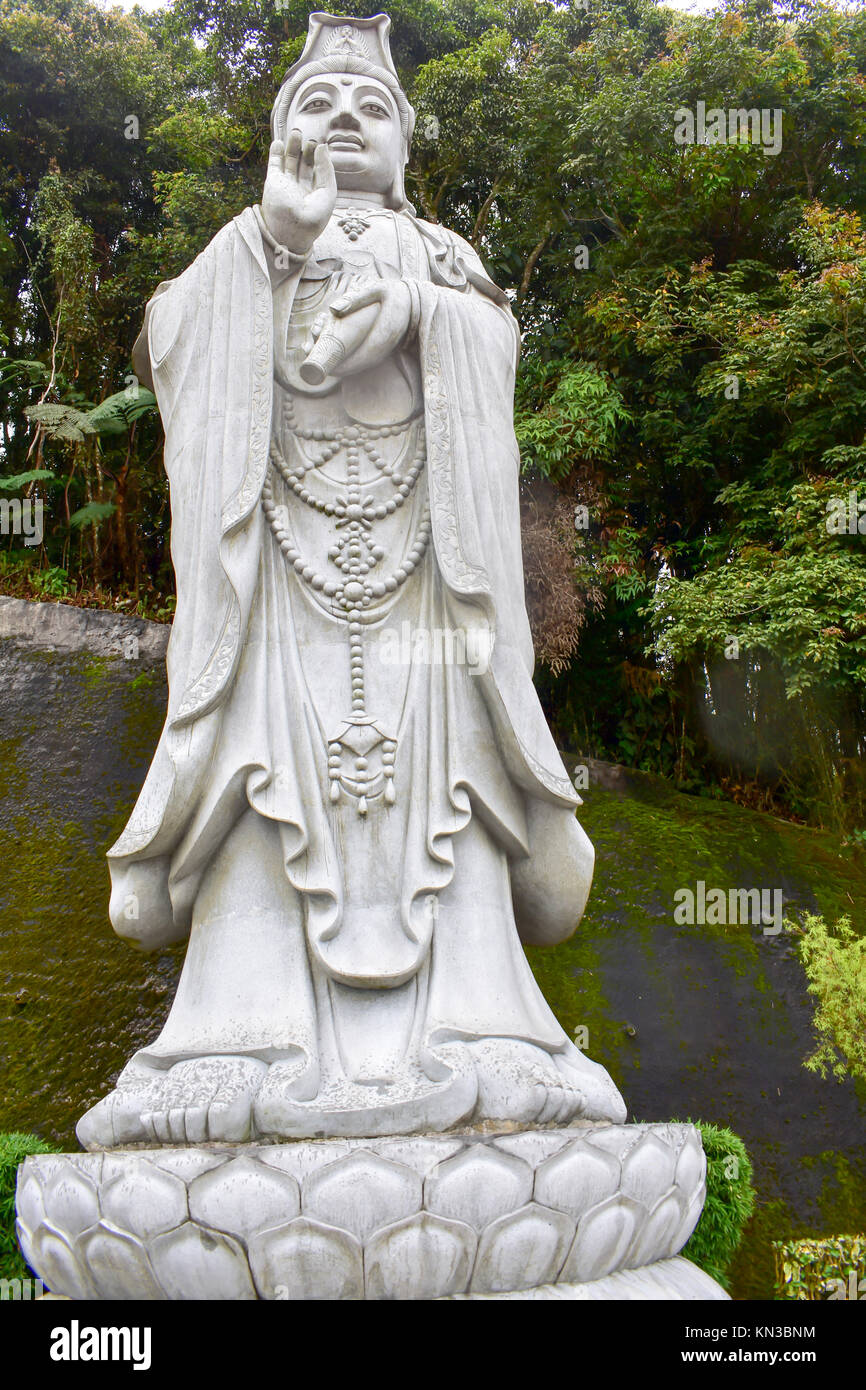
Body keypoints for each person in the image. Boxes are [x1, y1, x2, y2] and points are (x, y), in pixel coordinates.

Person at [78, 12, 625, 1150]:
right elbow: (167, 345)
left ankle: (486, 1035)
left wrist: (426, 314)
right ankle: (234, 1037)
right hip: (276, 586)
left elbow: (493, 356)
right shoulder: (244, 248)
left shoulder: (445, 263)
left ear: (406, 145)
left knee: (452, 794)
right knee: (261, 788)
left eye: (370, 108)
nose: (343, 121)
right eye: (315, 107)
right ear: (280, 140)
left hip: (431, 588)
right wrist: (271, 245)